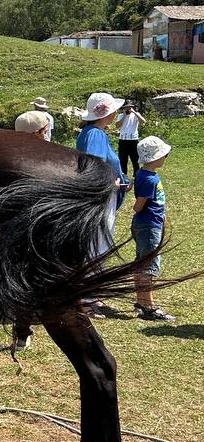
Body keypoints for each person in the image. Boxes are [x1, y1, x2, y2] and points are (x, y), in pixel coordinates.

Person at [75, 91, 130, 318]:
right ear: (107, 113)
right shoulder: (95, 135)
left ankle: (91, 295)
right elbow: (94, 166)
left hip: (102, 195)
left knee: (98, 243)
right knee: (97, 244)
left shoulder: (92, 133)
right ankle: (86, 298)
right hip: (100, 197)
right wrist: (113, 183)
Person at [131, 135, 176, 322]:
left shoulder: (145, 175)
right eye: (163, 155)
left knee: (141, 263)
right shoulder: (148, 179)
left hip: (149, 223)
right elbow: (139, 205)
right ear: (154, 158)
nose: (165, 157)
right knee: (149, 266)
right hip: (148, 226)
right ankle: (149, 307)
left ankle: (141, 302)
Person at [114, 101, 146, 178]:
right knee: (123, 159)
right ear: (123, 108)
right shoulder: (121, 116)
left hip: (133, 140)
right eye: (126, 107)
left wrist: (134, 112)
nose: (128, 109)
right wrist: (124, 116)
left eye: (129, 107)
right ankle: (123, 176)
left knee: (135, 159)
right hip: (123, 140)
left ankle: (137, 175)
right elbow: (117, 126)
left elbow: (143, 122)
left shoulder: (136, 115)